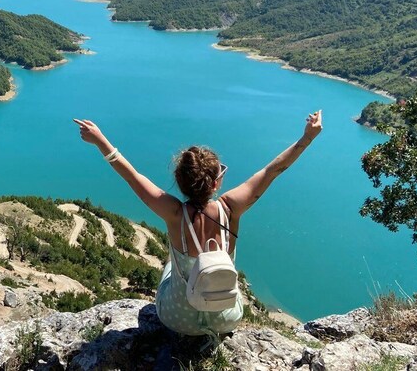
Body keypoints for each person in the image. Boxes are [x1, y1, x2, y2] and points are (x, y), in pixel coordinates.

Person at [73, 110, 323, 336]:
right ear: (216, 183)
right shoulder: (231, 208)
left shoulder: (174, 213)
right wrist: (307, 138)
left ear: (180, 182)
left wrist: (100, 141)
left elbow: (132, 176)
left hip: (177, 320)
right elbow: (272, 170)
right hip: (226, 318)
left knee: (171, 265)